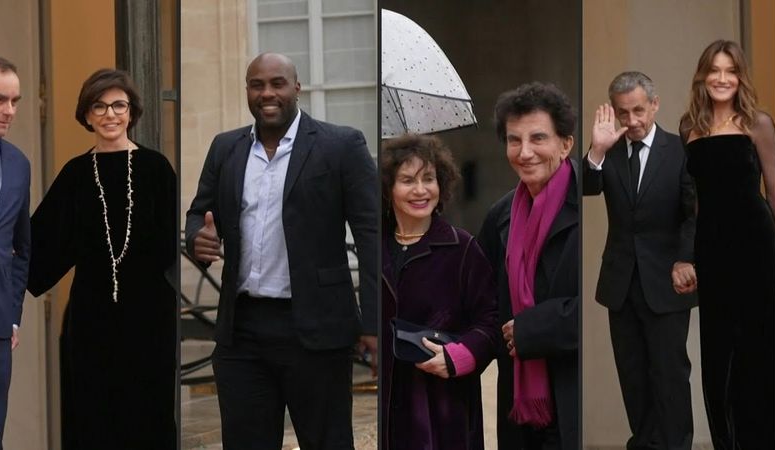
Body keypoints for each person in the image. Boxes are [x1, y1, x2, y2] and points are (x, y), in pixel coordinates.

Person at [185, 52, 378, 449]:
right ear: (247, 91)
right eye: (257, 85)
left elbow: (372, 236)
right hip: (242, 331)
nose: (267, 93)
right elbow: (199, 215)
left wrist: (374, 323)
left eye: (277, 83)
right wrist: (197, 240)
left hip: (317, 330)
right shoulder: (225, 148)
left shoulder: (341, 145)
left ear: (297, 88)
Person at [27, 69, 177, 450]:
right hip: (90, 321)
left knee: (149, 416)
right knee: (92, 418)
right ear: (87, 115)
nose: (110, 114)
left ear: (132, 112)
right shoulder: (75, 175)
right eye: (99, 106)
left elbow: (169, 247)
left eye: (119, 106)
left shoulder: (157, 169)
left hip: (149, 320)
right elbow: (37, 242)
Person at [583, 71, 696, 449]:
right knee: (633, 376)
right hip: (621, 285)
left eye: (638, 111)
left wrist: (685, 260)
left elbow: (694, 214)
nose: (631, 121)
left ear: (655, 105)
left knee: (669, 375)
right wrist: (596, 152)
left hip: (667, 282)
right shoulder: (609, 151)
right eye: (623, 113)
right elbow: (583, 189)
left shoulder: (679, 150)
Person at [679, 39, 775, 449]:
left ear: (740, 77)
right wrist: (688, 256)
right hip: (712, 250)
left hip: (757, 246)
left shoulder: (758, 123)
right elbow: (694, 202)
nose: (722, 78)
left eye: (731, 71)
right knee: (718, 353)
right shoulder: (689, 127)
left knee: (759, 349)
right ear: (703, 76)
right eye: (715, 70)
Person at [379, 134, 498, 450]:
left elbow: (491, 319)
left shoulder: (463, 248)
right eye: (407, 180)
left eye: (428, 179)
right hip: (385, 401)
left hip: (443, 407)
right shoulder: (374, 246)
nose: (420, 190)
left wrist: (461, 355)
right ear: (388, 188)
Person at [478, 82, 579, 449]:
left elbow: (603, 302)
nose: (524, 153)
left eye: (538, 138)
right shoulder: (499, 216)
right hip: (518, 407)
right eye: (513, 140)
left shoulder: (590, 204)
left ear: (565, 144)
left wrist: (532, 329)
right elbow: (483, 304)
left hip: (574, 394)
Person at [0, 56, 30, 450]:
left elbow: (21, 247)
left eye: (15, 101)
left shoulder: (18, 164)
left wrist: (12, 316)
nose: (9, 110)